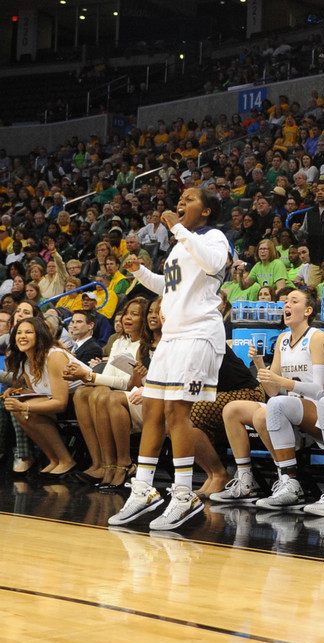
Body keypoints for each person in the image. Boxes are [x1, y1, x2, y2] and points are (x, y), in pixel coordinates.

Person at [108, 186, 232, 531]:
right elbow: (170, 287)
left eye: (190, 199)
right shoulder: (180, 246)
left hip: (198, 335)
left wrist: (177, 228)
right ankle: (144, 489)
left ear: (206, 211)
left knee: (178, 411)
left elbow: (214, 263)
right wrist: (139, 272)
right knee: (152, 409)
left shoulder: (214, 237)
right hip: (172, 336)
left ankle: (182, 493)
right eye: (180, 197)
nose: (181, 201)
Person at [215, 289, 324, 509]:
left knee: (266, 413)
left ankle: (290, 480)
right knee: (232, 409)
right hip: (284, 407)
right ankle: (247, 480)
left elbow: (319, 391)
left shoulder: (316, 337)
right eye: (286, 301)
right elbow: (271, 392)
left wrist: (282, 381)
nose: (287, 305)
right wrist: (259, 363)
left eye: (294, 301)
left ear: (308, 311)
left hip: (316, 411)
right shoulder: (282, 339)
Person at [63, 298, 150, 488]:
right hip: (122, 392)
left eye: (134, 314)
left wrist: (89, 376)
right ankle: (100, 463)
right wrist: (87, 378)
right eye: (127, 313)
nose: (128, 317)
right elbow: (111, 377)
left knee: (100, 394)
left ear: (145, 319)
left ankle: (121, 463)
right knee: (81, 393)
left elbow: (129, 384)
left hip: (141, 396)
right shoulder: (119, 342)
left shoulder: (145, 345)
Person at [1, 316, 88, 478]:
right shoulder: (25, 361)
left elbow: (60, 402)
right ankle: (54, 459)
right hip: (64, 401)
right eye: (19, 333)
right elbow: (40, 392)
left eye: (28, 332)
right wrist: (19, 391)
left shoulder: (54, 356)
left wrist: (24, 406)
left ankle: (66, 460)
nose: (22, 336)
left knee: (26, 409)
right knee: (17, 406)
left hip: (83, 401)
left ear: (39, 335)